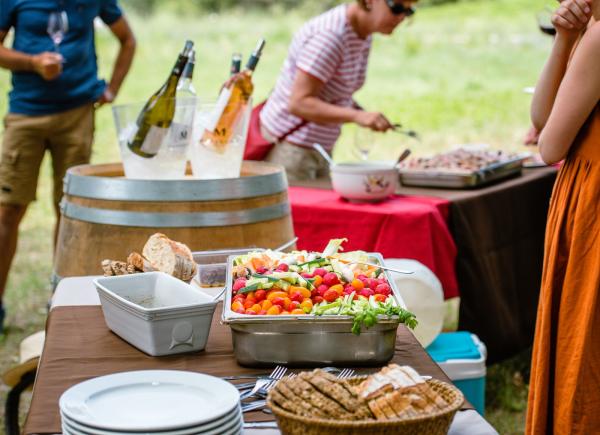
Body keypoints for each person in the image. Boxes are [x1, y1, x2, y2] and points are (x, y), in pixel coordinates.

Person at [0, 0, 136, 333]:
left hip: (77, 115)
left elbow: (128, 40)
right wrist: (33, 63)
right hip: (26, 114)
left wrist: (112, 88)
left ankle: (59, 299)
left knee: (69, 211)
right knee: (8, 210)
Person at [526, 0, 600, 433]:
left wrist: (577, 38)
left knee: (585, 343)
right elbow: (541, 119)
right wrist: (566, 38)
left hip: (593, 198)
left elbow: (549, 144)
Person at [258, 0, 416, 181]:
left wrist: (362, 113)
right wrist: (357, 116)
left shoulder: (362, 33)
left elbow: (334, 93)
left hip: (316, 147)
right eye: (396, 8)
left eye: (409, 10)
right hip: (292, 148)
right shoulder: (330, 37)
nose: (402, 17)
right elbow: (299, 103)